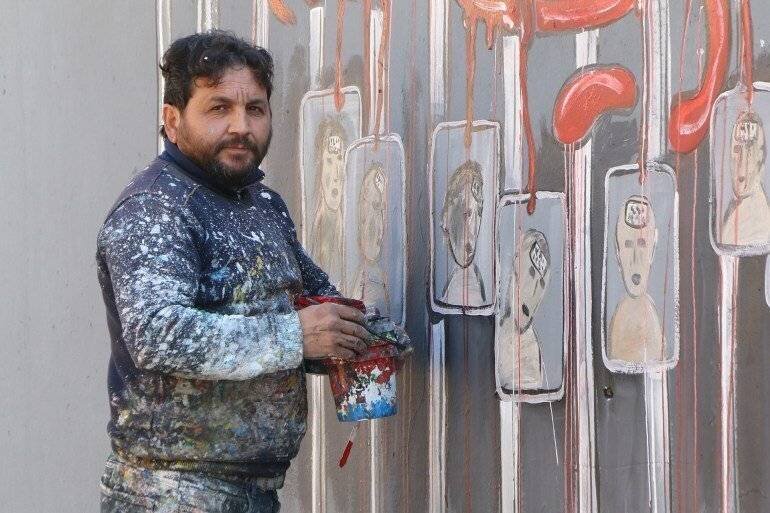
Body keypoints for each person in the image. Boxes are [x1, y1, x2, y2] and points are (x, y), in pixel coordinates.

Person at [96, 31, 372, 513]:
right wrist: (294, 338)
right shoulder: (156, 208)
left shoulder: (261, 206)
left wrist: (373, 339)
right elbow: (159, 334)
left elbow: (317, 308)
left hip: (252, 493)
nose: (241, 126)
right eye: (218, 108)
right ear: (172, 120)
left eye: (256, 110)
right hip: (168, 493)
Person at [608, 195, 666, 365]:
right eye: (627, 245)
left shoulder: (652, 316)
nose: (635, 259)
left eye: (642, 244)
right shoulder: (621, 319)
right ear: (618, 254)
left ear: (653, 251)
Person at [498, 229, 552, 392]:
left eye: (540, 284)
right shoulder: (496, 325)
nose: (533, 291)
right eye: (529, 273)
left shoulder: (528, 352)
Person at [439, 160, 487, 307]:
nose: (473, 232)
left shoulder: (473, 284)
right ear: (446, 218)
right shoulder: (456, 284)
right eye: (466, 215)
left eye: (478, 215)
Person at [720, 110, 770, 246]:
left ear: (760, 157)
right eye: (736, 150)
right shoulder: (736, 206)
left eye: (749, 151)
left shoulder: (756, 222)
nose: (741, 163)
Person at [308, 118, 348, 287]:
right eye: (330, 162)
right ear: (320, 165)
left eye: (340, 160)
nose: (335, 175)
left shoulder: (346, 231)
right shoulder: (315, 226)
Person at [348, 163, 390, 314]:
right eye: (374, 206)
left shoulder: (377, 281)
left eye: (381, 208)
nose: (379, 223)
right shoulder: (360, 275)